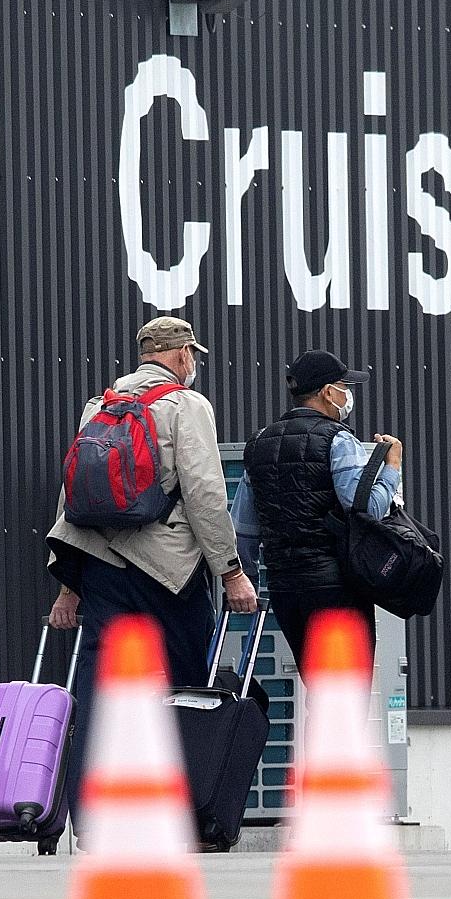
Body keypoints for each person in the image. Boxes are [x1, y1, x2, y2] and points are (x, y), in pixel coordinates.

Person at [45, 316, 257, 833]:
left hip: (99, 566)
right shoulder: (186, 406)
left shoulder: (100, 405)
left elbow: (74, 495)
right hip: (166, 570)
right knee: (184, 685)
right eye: (193, 355)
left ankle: (90, 815)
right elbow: (206, 495)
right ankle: (177, 809)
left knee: (100, 685)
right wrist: (230, 572)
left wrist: (69, 583)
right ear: (182, 354)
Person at [231, 349, 402, 669]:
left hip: (285, 590)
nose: (348, 395)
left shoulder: (259, 443)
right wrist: (392, 467)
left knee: (319, 687)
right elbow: (366, 511)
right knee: (345, 696)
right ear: (327, 392)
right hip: (337, 591)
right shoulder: (338, 439)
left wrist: (248, 579)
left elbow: (243, 528)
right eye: (344, 387)